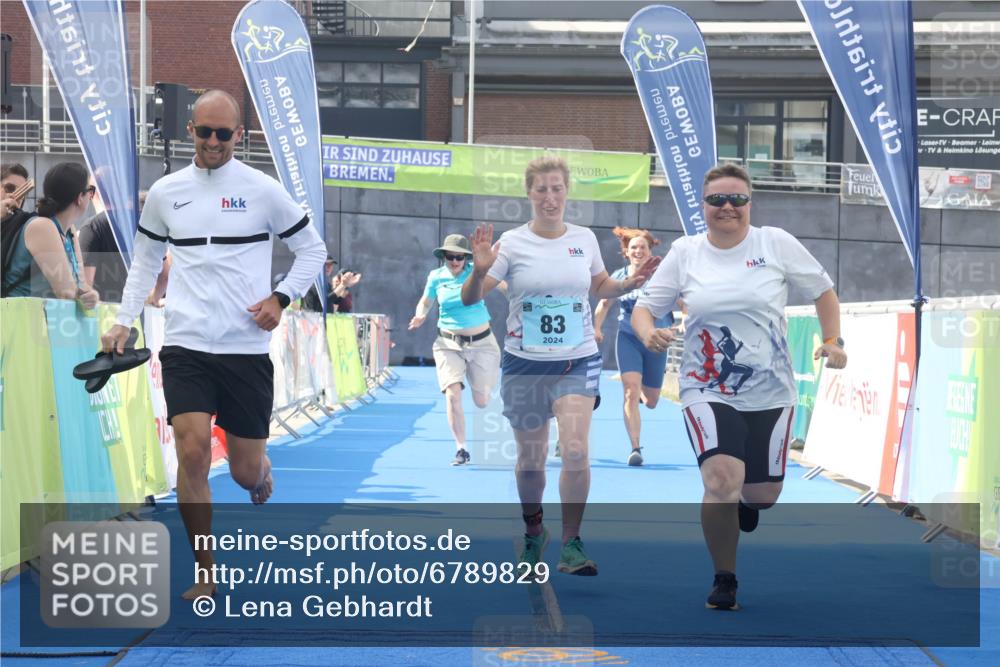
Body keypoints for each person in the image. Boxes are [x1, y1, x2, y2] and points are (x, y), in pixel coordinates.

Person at [99, 90, 326, 600]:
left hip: (244, 347)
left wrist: (282, 296)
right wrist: (122, 321)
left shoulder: (262, 189)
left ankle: (259, 465)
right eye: (205, 132)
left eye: (224, 133)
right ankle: (206, 572)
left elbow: (313, 249)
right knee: (193, 452)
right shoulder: (166, 192)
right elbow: (143, 263)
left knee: (244, 474)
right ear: (191, 131)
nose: (214, 142)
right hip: (185, 345)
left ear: (239, 136)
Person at [632, 163, 847, 610]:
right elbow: (645, 308)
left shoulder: (775, 243)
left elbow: (823, 291)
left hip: (771, 391)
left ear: (750, 203)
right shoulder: (686, 253)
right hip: (706, 386)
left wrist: (833, 341)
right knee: (721, 480)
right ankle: (724, 577)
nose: (727, 207)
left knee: (762, 496)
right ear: (703, 206)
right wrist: (647, 331)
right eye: (717, 200)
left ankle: (745, 504)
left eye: (737, 199)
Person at [462, 155, 660, 576]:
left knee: (574, 448)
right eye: (541, 189)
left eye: (557, 188)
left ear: (566, 192)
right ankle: (535, 531)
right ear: (529, 194)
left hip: (578, 358)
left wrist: (628, 283)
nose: (550, 197)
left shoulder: (584, 239)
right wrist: (478, 272)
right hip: (524, 363)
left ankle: (572, 542)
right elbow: (471, 299)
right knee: (531, 460)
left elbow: (599, 284)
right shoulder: (511, 244)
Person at [409, 233, 501, 466]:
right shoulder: (436, 276)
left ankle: (482, 388)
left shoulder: (477, 272)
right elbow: (426, 301)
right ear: (444, 256)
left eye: (459, 257)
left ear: (466, 258)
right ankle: (461, 449)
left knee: (481, 401)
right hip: (448, 343)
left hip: (482, 344)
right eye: (450, 257)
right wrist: (420, 315)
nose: (454, 261)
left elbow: (505, 283)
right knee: (452, 393)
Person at [593, 227, 674, 466]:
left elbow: (683, 303)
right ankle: (635, 448)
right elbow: (604, 304)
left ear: (650, 251)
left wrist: (681, 324)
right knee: (629, 390)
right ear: (627, 253)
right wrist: (597, 327)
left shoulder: (662, 276)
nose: (638, 251)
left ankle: (641, 393)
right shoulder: (619, 276)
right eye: (634, 248)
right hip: (627, 338)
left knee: (651, 401)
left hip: (655, 340)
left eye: (643, 248)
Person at [1, 161, 99, 306]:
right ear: (80, 197)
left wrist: (89, 294)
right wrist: (85, 295)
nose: (16, 195)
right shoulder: (42, 226)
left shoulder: (69, 230)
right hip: (19, 321)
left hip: (41, 321)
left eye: (23, 190)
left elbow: (80, 284)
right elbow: (66, 292)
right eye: (90, 190)